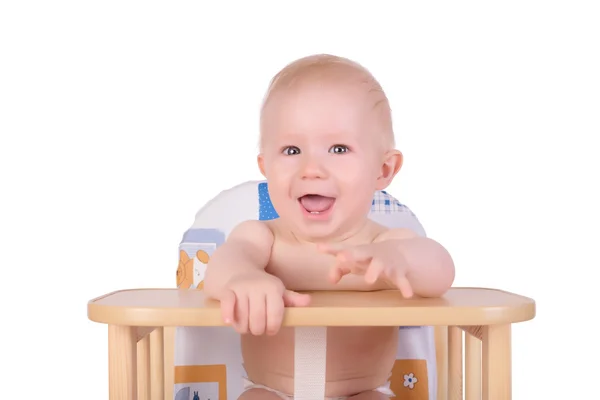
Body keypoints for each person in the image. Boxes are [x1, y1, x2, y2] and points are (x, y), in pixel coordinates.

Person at [203, 54, 455, 400]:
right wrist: (243, 278)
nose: (312, 169)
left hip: (363, 391)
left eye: (339, 148)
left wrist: (401, 259)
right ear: (266, 167)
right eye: (291, 150)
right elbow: (220, 267)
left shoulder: (385, 244)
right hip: (270, 390)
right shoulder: (262, 238)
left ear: (383, 170)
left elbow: (441, 272)